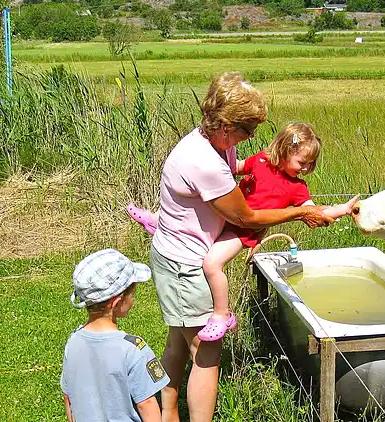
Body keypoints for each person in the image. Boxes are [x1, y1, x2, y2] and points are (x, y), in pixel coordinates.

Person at [136, 71, 334, 422]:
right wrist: (300, 212)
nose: (252, 137)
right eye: (247, 130)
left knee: (178, 345)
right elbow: (246, 218)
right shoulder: (205, 162)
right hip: (186, 265)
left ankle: (166, 415)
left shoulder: (212, 144)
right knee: (205, 353)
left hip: (176, 255)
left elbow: (239, 175)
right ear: (226, 125)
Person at [128, 122, 358, 342]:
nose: (306, 169)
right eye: (302, 162)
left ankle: (222, 314)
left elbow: (315, 211)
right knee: (202, 205)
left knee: (211, 264)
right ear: (283, 150)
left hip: (243, 231)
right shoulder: (260, 160)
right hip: (230, 213)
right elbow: (235, 167)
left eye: (311, 164)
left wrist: (343, 210)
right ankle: (159, 220)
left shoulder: (298, 188)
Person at [61, 248, 169, 422]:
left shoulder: (73, 342)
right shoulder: (133, 348)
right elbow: (146, 403)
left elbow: (68, 397)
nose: (133, 299)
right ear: (117, 303)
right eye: (132, 294)